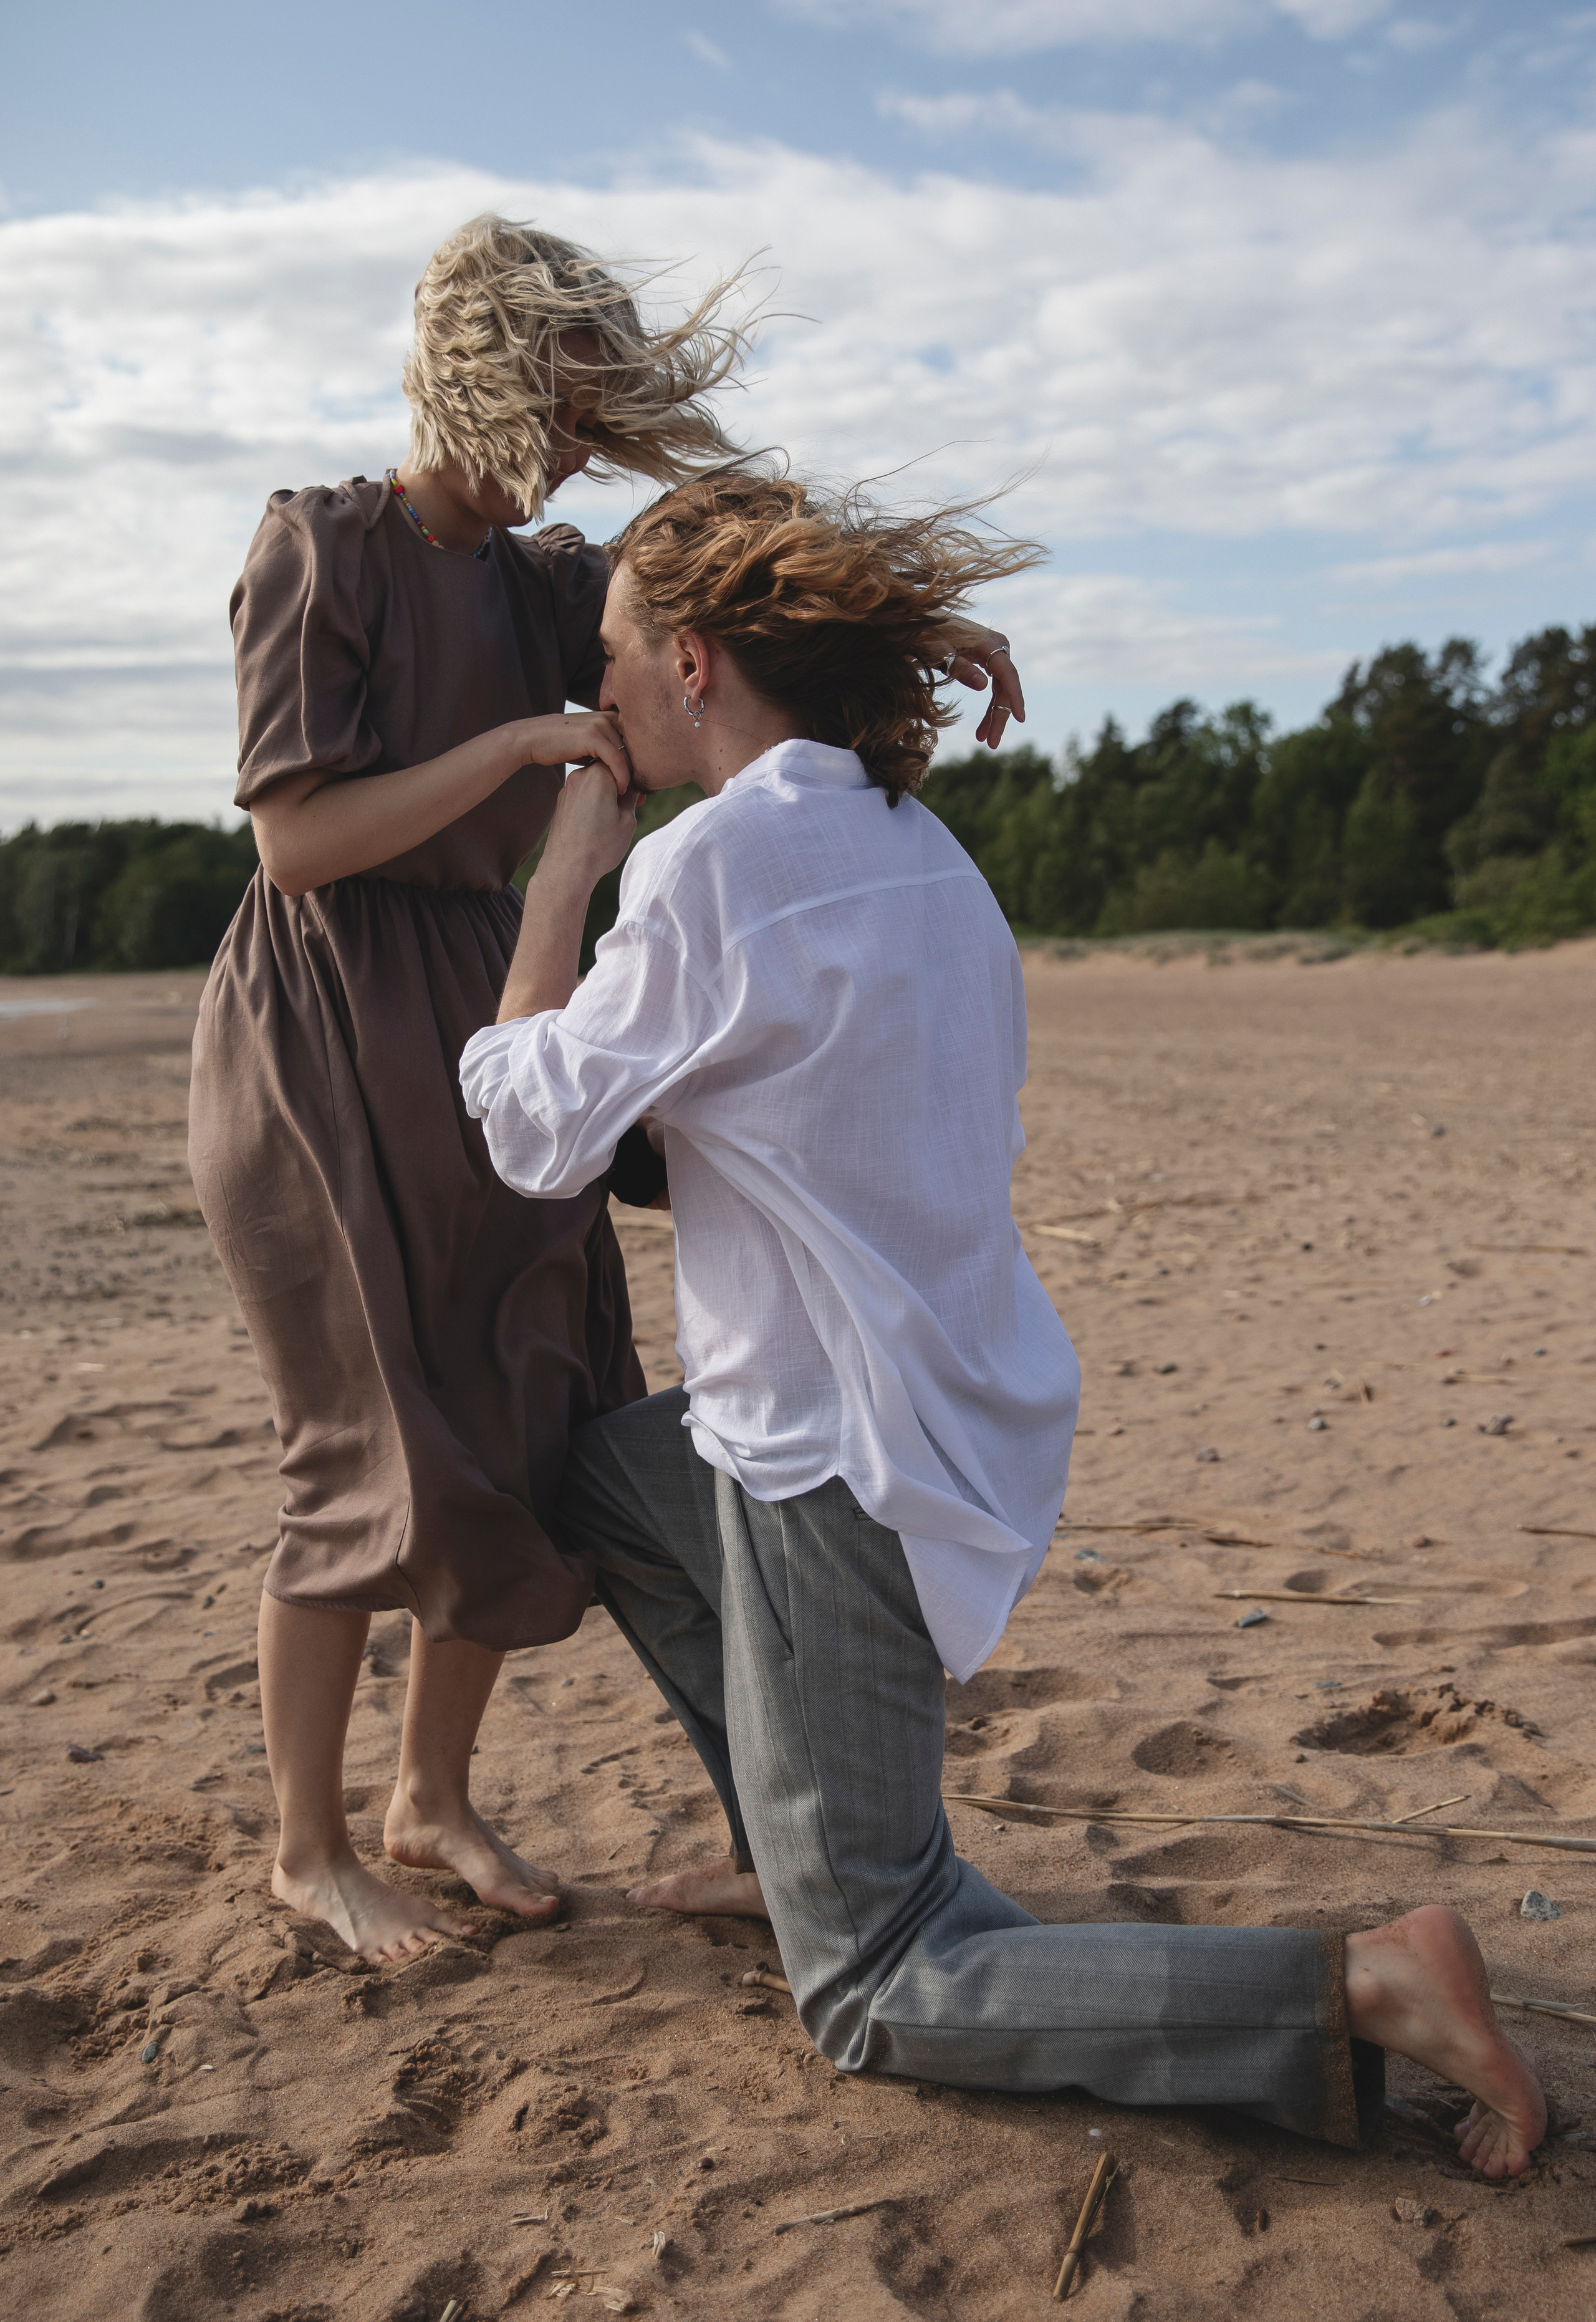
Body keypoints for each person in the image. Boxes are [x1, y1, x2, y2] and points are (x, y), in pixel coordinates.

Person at [459, 468, 1547, 2177]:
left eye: (611, 660)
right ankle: (805, 1849)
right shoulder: (922, 852)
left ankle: (1358, 1987)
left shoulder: (707, 869)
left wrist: (560, 877)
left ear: (691, 662)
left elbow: (530, 1128)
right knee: (607, 1481)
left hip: (837, 1461)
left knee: (881, 1983)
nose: (598, 696)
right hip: (922, 1407)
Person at [187, 214, 757, 1964]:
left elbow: (747, 572)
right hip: (320, 1030)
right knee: (362, 1445)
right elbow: (295, 842)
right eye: (565, 414)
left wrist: (930, 641)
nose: (582, 453)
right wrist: (513, 751)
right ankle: (305, 1843)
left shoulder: (540, 583)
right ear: (481, 377)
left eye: (601, 423)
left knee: (521, 1414)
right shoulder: (321, 549)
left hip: (494, 1014)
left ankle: (425, 1796)